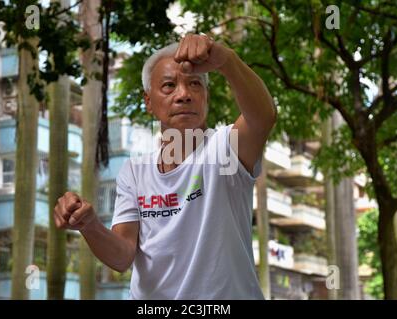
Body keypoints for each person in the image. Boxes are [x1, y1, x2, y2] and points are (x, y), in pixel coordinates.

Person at [54, 33, 277, 299]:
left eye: (195, 84)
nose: (183, 95)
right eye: (169, 86)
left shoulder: (225, 150)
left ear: (206, 96)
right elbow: (123, 256)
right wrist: (89, 224)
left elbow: (263, 116)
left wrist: (226, 60)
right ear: (148, 101)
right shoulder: (135, 172)